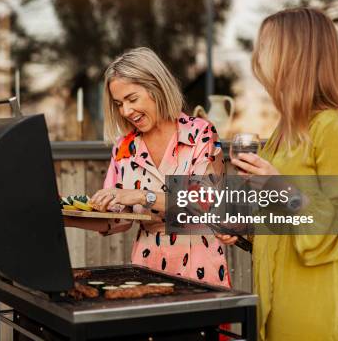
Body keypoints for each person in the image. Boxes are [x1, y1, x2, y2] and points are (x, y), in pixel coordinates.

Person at [217, 8, 338, 340]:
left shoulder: (335, 127)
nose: (259, 56)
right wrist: (247, 228)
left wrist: (279, 186)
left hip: (317, 304)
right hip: (280, 300)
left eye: (268, 46)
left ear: (297, 55)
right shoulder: (284, 133)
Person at [64, 47, 230, 287]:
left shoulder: (200, 133)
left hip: (200, 266)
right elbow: (117, 219)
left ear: (157, 88)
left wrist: (141, 195)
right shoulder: (124, 147)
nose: (126, 111)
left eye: (132, 99)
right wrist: (65, 216)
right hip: (146, 270)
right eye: (119, 103)